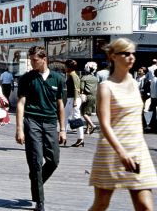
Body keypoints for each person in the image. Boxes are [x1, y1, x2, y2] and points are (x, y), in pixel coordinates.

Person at [88, 38, 157, 211]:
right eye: (125, 53)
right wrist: (121, 153)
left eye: (133, 53)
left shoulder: (134, 83)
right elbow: (104, 124)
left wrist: (133, 150)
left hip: (137, 150)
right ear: (112, 56)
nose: (131, 57)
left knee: (145, 206)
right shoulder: (106, 87)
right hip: (112, 151)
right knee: (101, 204)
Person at [16, 46, 66, 211]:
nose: (31, 63)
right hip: (32, 121)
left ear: (44, 59)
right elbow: (21, 104)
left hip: (51, 122)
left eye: (34, 60)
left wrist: (63, 128)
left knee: (54, 161)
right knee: (36, 161)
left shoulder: (57, 78)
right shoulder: (26, 78)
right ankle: (40, 202)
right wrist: (19, 129)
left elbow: (60, 105)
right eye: (30, 60)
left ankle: (35, 181)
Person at [64, 59, 84, 147]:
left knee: (76, 118)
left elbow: (76, 88)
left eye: (66, 66)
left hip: (73, 99)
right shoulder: (72, 75)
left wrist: (75, 100)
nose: (65, 68)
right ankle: (63, 135)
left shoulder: (72, 75)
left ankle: (80, 138)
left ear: (69, 67)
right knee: (65, 117)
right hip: (72, 99)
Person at [80, 61, 98, 135]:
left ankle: (92, 125)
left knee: (84, 113)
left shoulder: (84, 78)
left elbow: (81, 88)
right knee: (88, 113)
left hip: (87, 96)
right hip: (94, 96)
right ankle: (87, 129)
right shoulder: (95, 78)